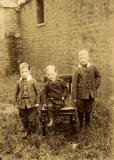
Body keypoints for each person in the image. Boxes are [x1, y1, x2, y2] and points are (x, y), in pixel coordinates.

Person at [72, 50, 101, 130]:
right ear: (79, 59)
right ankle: (81, 124)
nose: (83, 60)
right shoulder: (77, 69)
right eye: (81, 58)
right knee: (80, 109)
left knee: (88, 109)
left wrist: (95, 86)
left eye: (85, 58)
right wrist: (74, 97)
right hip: (80, 94)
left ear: (88, 58)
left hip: (90, 94)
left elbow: (98, 76)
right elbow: (74, 84)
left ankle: (87, 124)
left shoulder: (92, 67)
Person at [14, 62, 40, 138]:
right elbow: (15, 92)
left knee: (32, 119)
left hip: (32, 104)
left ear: (29, 71)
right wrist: (15, 102)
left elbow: (38, 92)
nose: (24, 73)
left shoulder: (33, 81)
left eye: (26, 71)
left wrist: (38, 102)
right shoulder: (18, 82)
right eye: (22, 72)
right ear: (20, 72)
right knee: (24, 118)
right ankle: (25, 129)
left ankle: (33, 130)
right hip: (21, 104)